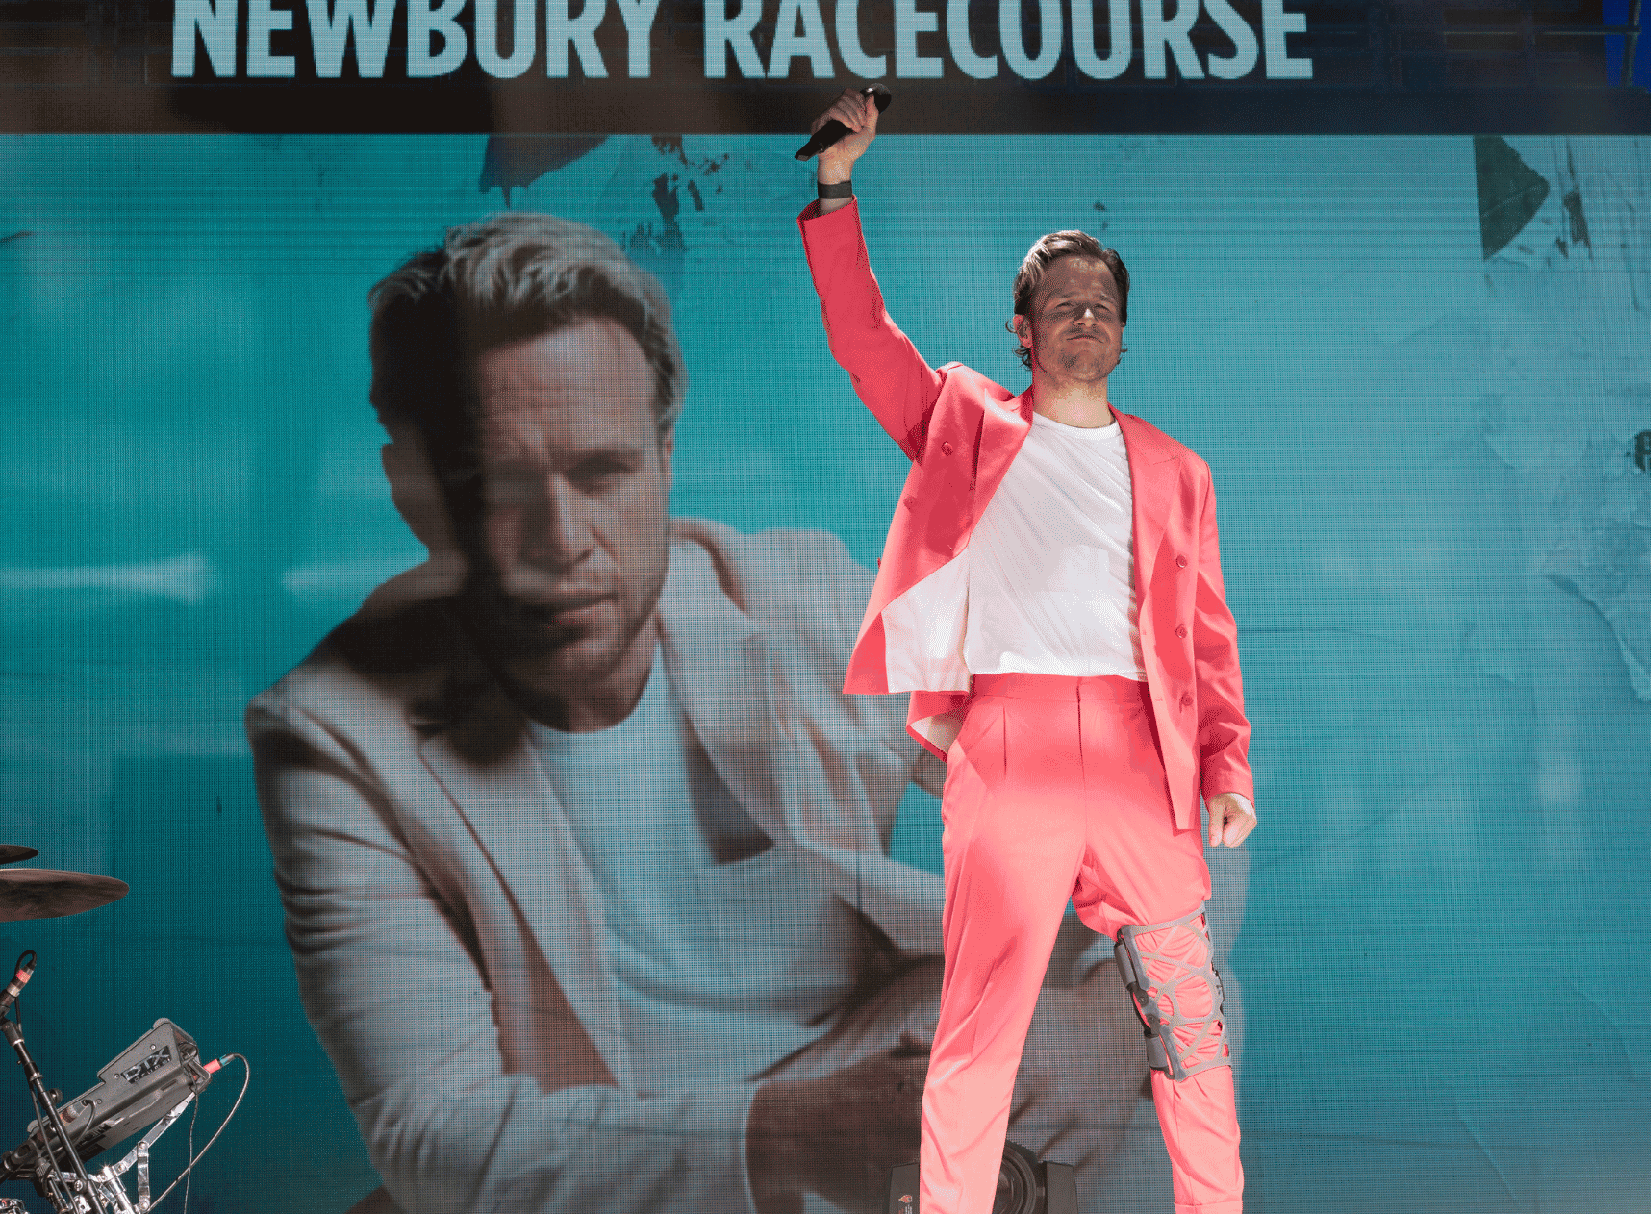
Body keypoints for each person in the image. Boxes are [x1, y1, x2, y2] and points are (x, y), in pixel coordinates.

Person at [245, 212, 1146, 1214]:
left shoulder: (797, 600)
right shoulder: (332, 734)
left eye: (603, 473)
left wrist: (1115, 1014)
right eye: (498, 485)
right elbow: (439, 1132)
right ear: (413, 493)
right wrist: (789, 1134)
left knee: (1173, 1034)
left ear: (664, 455)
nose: (562, 538)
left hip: (868, 1073)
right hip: (619, 1152)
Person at [797, 91, 1259, 1214]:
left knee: (1189, 1023)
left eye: (1101, 305)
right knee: (982, 1024)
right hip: (1010, 742)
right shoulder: (964, 419)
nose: (1084, 319)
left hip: (1144, 757)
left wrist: (1227, 769)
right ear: (1024, 328)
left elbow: (1205, 634)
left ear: (1124, 331)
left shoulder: (1178, 470)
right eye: (1062, 304)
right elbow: (866, 341)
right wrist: (835, 189)